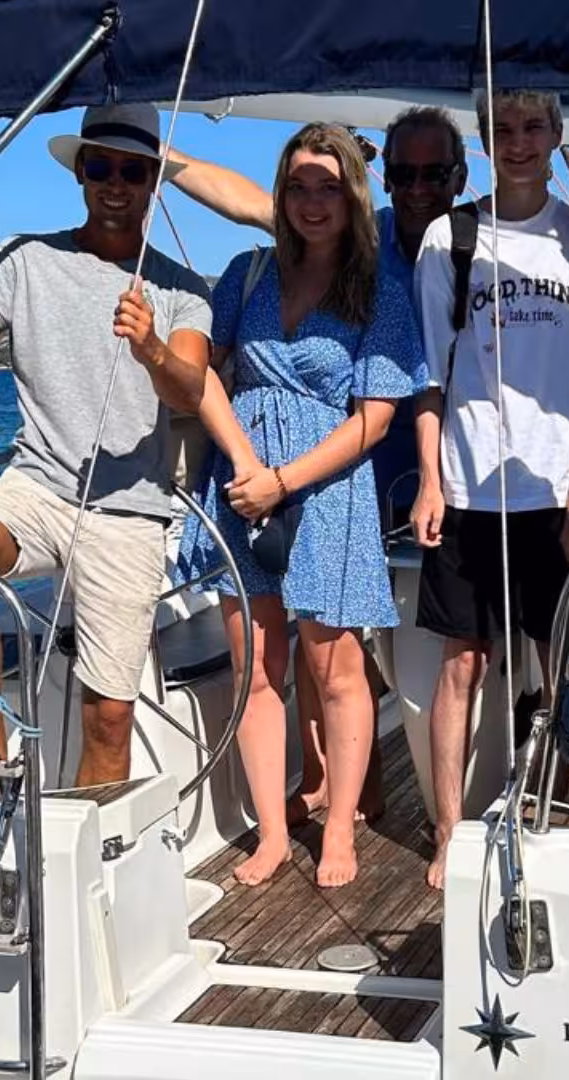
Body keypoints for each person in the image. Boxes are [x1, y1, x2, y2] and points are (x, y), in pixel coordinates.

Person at [165, 107, 467, 825]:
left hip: (334, 481)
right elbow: (205, 367)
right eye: (298, 187)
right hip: (244, 481)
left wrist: (289, 480)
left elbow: (387, 406)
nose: (312, 201)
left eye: (328, 186)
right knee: (260, 664)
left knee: (336, 661)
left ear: (354, 194)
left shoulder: (383, 282)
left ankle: (347, 820)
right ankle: (280, 824)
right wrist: (160, 158)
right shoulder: (250, 272)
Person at [0, 103, 213, 795]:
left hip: (129, 511)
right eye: (100, 166)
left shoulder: (182, 289)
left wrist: (149, 347)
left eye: (132, 171)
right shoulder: (26, 260)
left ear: (151, 183)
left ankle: (89, 861)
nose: (115, 183)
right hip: (38, 489)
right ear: (80, 172)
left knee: (106, 719)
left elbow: (189, 392)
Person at [412, 89, 569, 888]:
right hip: (464, 484)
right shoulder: (448, 237)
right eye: (503, 130)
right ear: (484, 142)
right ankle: (450, 831)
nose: (519, 142)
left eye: (533, 127)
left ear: (557, 137)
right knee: (463, 662)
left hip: (554, 489)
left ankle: (547, 811)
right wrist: (428, 479)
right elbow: (428, 370)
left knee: (556, 663)